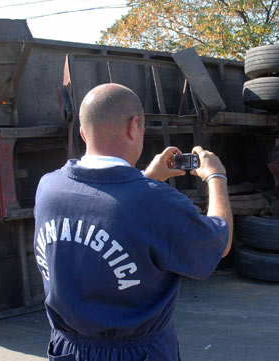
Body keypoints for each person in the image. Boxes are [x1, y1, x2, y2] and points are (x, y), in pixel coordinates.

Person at [33, 83, 233, 361]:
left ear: (82, 132)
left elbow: (108, 211)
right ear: (133, 126)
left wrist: (147, 177)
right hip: (138, 353)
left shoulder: (47, 187)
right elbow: (218, 244)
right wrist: (216, 177)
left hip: (67, 349)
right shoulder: (157, 202)